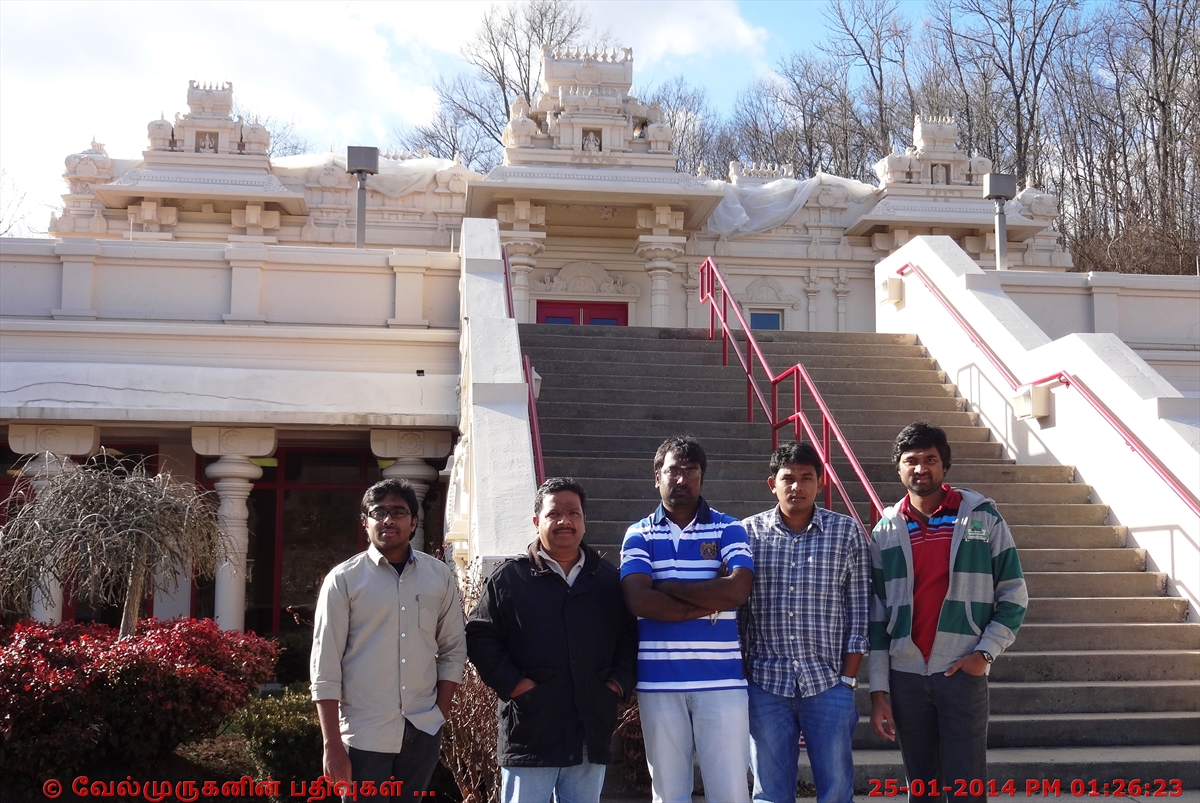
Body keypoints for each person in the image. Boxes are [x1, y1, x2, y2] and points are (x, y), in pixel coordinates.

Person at [868, 423, 1027, 802]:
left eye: (930, 460)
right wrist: (878, 688)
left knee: (966, 786)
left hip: (960, 670)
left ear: (944, 465)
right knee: (921, 787)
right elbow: (876, 614)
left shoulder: (982, 517)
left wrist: (984, 653)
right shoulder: (885, 530)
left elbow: (1014, 594)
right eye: (912, 461)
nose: (921, 468)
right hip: (905, 675)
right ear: (899, 469)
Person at [466, 477, 638, 803]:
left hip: (590, 727)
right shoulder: (510, 578)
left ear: (584, 520)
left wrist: (615, 684)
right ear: (536, 522)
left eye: (573, 513)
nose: (564, 521)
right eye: (553, 514)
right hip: (530, 730)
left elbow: (629, 637)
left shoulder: (607, 580)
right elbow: (479, 635)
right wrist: (515, 685)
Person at [311, 477, 466, 800]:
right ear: (364, 522)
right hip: (363, 736)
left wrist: (439, 714)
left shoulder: (438, 576)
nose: (387, 520)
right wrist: (332, 746)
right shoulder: (344, 581)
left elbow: (453, 649)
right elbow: (325, 666)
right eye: (378, 512)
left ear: (414, 522)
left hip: (422, 730)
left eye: (398, 512)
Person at [620, 436, 755, 803]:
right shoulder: (639, 533)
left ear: (702, 478)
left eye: (691, 471)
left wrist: (667, 585)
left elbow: (738, 590)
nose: (681, 479)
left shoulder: (729, 528)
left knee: (730, 792)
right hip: (658, 685)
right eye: (673, 470)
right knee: (668, 792)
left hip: (723, 683)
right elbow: (637, 600)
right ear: (657, 477)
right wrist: (709, 599)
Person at [739, 441, 868, 803]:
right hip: (766, 683)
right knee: (769, 792)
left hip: (827, 684)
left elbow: (859, 611)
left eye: (806, 478)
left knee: (837, 789)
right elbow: (738, 612)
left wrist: (847, 679)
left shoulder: (846, 534)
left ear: (820, 483)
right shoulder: (747, 534)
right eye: (788, 478)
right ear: (772, 484)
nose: (796, 486)